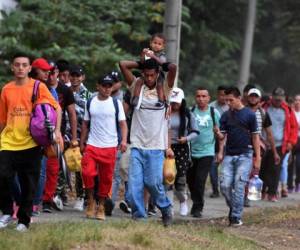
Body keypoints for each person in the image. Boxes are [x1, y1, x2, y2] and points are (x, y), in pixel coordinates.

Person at [0, 53, 61, 232]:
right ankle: (6, 211)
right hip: (8, 141)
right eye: (17, 64)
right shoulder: (6, 89)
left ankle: (23, 221)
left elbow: (56, 108)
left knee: (29, 184)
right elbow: (3, 119)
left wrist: (56, 131)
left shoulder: (38, 87)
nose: (20, 68)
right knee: (3, 176)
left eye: (24, 65)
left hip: (31, 142)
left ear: (29, 68)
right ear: (12, 68)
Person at [119, 57, 177, 226]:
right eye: (146, 75)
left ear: (157, 73)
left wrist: (156, 61)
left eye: (152, 75)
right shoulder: (136, 84)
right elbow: (123, 64)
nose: (149, 78)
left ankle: (165, 208)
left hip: (156, 146)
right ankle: (139, 218)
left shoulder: (165, 88)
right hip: (137, 144)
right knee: (134, 185)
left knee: (153, 183)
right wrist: (142, 63)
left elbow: (173, 68)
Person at [80, 74, 127, 221]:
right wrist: (82, 142)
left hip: (110, 146)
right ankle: (91, 202)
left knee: (106, 179)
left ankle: (101, 206)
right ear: (98, 86)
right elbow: (85, 124)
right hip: (92, 145)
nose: (107, 88)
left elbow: (123, 124)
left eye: (110, 86)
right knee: (87, 173)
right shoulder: (90, 102)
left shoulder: (116, 103)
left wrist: (124, 140)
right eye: (104, 85)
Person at [217, 86, 261, 226]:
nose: (228, 103)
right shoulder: (225, 115)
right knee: (224, 185)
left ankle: (236, 217)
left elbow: (255, 137)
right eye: (226, 100)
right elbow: (222, 136)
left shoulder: (249, 115)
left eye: (231, 100)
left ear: (239, 98)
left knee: (239, 184)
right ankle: (234, 207)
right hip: (229, 155)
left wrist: (258, 158)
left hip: (246, 155)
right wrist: (217, 134)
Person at [42, 62, 78, 212]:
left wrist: (74, 137)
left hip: (57, 135)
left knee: (53, 168)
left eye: (54, 73)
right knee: (38, 168)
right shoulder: (40, 87)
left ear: (58, 73)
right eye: (48, 73)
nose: (51, 76)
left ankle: (47, 200)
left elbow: (72, 114)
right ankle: (35, 198)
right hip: (38, 133)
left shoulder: (65, 90)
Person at [188, 87, 222, 217]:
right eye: (198, 96)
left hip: (207, 152)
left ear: (208, 98)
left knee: (200, 180)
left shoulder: (214, 113)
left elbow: (222, 135)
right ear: (195, 98)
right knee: (190, 181)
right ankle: (196, 202)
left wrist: (220, 150)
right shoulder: (190, 112)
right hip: (191, 152)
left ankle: (198, 207)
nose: (201, 99)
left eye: (204, 96)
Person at [260, 87, 298, 201]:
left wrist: (291, 142)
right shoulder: (264, 108)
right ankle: (262, 191)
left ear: (283, 99)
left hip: (281, 144)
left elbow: (294, 127)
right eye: (276, 99)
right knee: (263, 168)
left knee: (275, 169)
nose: (278, 101)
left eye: (280, 99)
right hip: (264, 143)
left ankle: (272, 193)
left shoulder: (288, 110)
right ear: (272, 97)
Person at [246, 88, 280, 205]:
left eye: (255, 96)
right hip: (242, 145)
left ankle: (247, 196)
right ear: (247, 97)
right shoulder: (241, 110)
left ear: (259, 99)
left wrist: (275, 152)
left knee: (253, 171)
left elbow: (270, 134)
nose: (253, 98)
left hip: (257, 146)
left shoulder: (263, 113)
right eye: (251, 96)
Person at [168, 87, 199, 216]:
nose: (174, 104)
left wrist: (186, 139)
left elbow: (196, 132)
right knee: (167, 177)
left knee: (180, 179)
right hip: (167, 147)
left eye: (177, 102)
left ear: (182, 101)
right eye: (172, 102)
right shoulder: (165, 111)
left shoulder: (187, 114)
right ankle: (168, 206)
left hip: (182, 148)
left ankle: (183, 201)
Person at [67, 65, 91, 211]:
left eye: (78, 76)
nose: (75, 78)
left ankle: (82, 197)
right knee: (63, 166)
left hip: (82, 134)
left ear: (82, 77)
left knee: (80, 167)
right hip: (66, 133)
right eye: (73, 75)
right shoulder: (65, 90)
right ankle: (60, 194)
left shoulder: (88, 94)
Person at [132, 33, 167, 107]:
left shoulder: (162, 54)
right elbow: (142, 62)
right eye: (155, 43)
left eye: (159, 44)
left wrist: (153, 56)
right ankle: (136, 97)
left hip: (158, 74)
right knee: (139, 81)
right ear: (151, 43)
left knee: (159, 85)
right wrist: (143, 54)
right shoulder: (148, 52)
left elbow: (162, 63)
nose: (156, 45)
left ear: (163, 46)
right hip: (146, 74)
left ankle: (161, 100)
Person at [209, 85, 229, 198]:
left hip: (228, 142)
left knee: (226, 167)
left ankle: (225, 188)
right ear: (217, 95)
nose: (223, 97)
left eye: (225, 95)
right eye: (221, 95)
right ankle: (215, 189)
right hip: (213, 141)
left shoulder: (231, 107)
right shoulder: (211, 107)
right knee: (213, 166)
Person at [288, 94, 300, 192]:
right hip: (291, 139)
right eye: (296, 100)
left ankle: (297, 183)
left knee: (299, 163)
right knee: (290, 163)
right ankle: (289, 185)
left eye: (299, 100)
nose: (297, 102)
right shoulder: (290, 112)